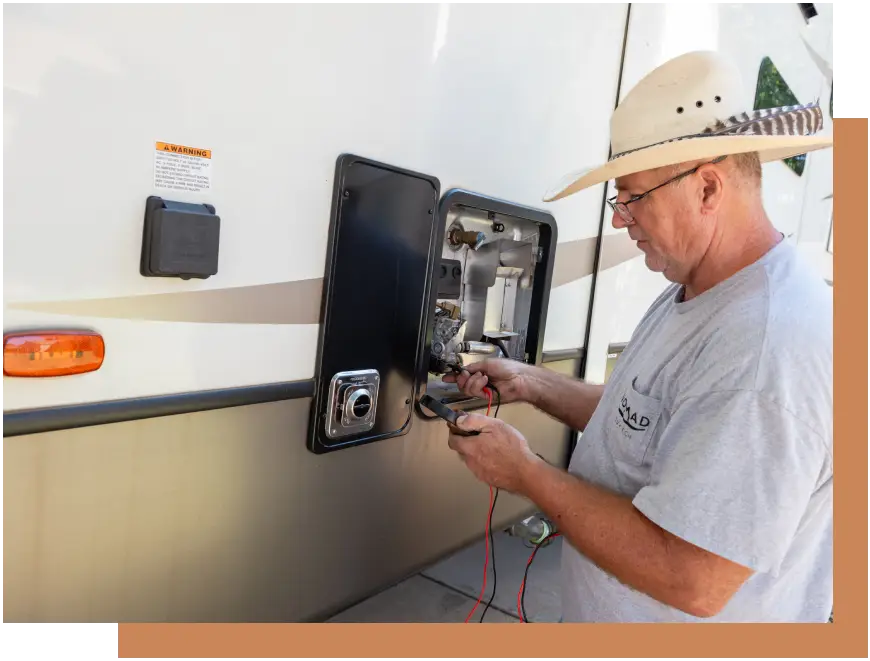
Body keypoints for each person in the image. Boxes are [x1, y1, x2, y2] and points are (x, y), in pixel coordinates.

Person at [444, 50, 833, 623]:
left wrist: (526, 473)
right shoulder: (703, 286)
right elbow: (658, 423)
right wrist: (531, 383)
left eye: (633, 197)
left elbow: (694, 577)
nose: (620, 219)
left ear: (706, 189)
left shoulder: (765, 346)